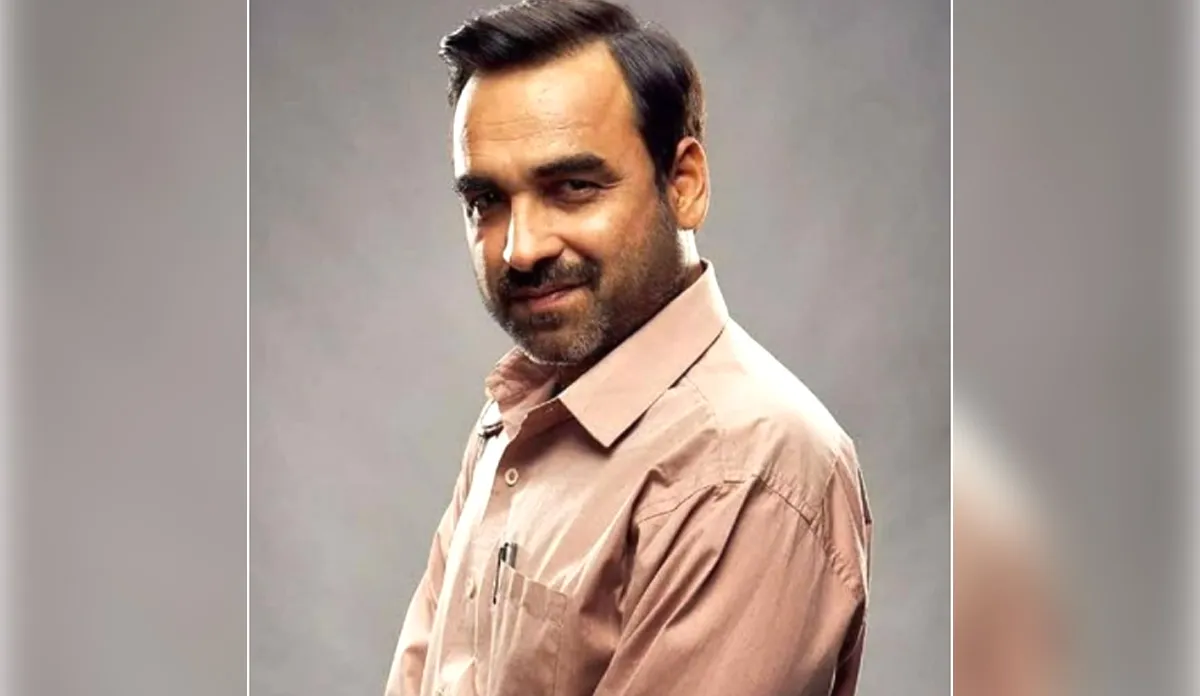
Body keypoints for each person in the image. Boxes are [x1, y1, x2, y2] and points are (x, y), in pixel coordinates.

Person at [385, 1, 872, 694]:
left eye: (572, 188)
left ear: (684, 184)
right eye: (485, 200)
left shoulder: (748, 471)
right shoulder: (513, 416)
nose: (520, 249)